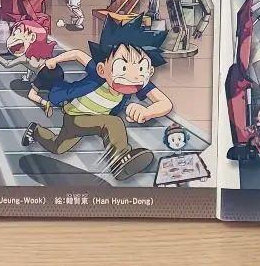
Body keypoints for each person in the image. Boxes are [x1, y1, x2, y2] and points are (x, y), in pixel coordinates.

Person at [22, 17, 172, 176]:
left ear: (149, 72)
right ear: (102, 69)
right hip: (75, 117)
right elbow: (78, 55)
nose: (133, 76)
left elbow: (165, 103)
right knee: (113, 123)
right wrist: (54, 60)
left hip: (92, 120)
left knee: (58, 147)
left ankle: (35, 131)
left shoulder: (138, 83)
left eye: (142, 69)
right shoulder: (98, 73)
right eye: (122, 68)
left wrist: (147, 112)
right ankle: (119, 159)